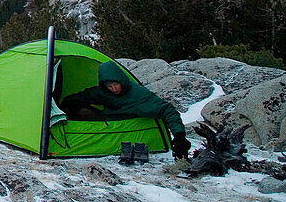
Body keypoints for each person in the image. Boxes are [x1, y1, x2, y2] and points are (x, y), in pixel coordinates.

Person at [61, 61, 190, 159]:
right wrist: (61, 105)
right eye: (110, 86)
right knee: (79, 109)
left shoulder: (138, 95)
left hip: (125, 128)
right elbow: (85, 96)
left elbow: (167, 110)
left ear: (122, 81)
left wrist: (179, 136)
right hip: (106, 121)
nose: (114, 89)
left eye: (116, 84)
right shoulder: (105, 92)